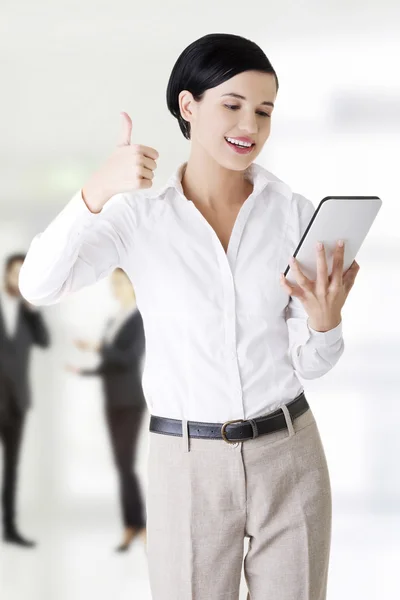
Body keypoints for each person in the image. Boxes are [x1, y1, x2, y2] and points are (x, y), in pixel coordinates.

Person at [18, 32, 360, 599]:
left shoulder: (293, 214)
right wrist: (98, 189)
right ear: (188, 105)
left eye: (264, 110)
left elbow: (310, 362)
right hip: (186, 463)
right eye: (232, 104)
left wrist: (325, 323)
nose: (249, 124)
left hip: (291, 453)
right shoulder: (139, 217)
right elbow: (38, 284)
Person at [66, 267, 147, 552]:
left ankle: (138, 526)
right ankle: (134, 525)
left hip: (129, 401)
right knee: (121, 466)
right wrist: (84, 372)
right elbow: (109, 365)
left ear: (131, 284)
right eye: (113, 282)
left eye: (120, 282)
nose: (115, 287)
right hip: (112, 400)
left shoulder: (139, 318)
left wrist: (98, 346)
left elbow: (128, 358)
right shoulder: (113, 320)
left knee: (125, 465)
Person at [0, 253, 50, 548]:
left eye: (22, 274)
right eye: (13, 273)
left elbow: (45, 342)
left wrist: (33, 311)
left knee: (12, 468)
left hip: (17, 403)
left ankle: (10, 528)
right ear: (5, 275)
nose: (16, 279)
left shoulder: (28, 313)